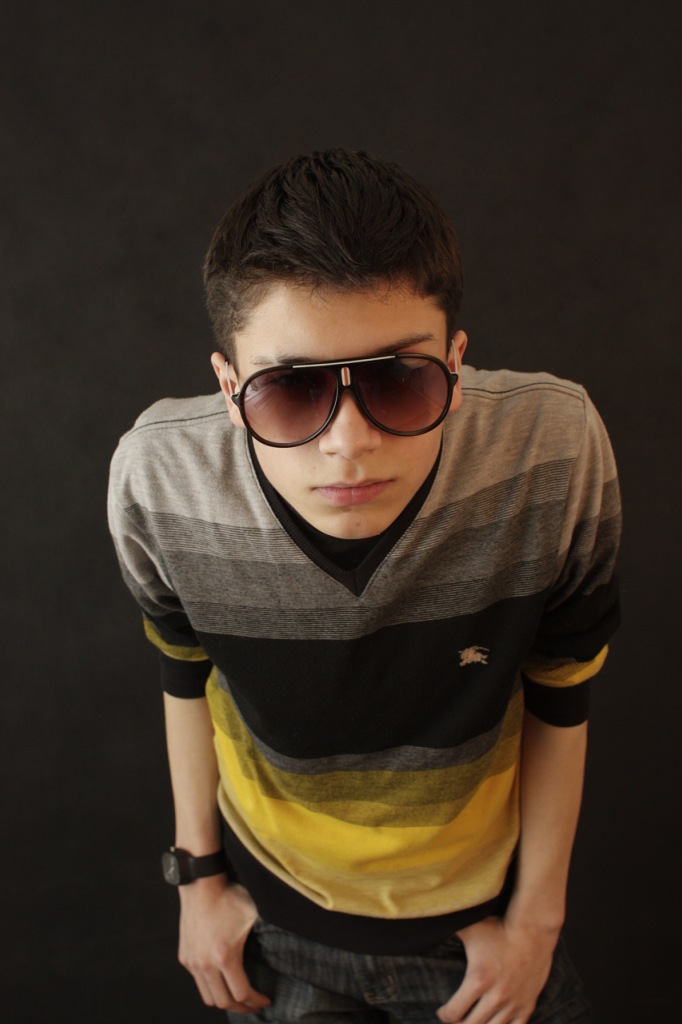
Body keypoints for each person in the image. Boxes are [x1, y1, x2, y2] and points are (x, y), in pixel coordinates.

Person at [108, 149, 621, 1024]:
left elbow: (561, 695)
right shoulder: (162, 484)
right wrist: (198, 880)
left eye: (399, 379)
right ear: (229, 389)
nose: (349, 442)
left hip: (478, 925)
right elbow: (185, 673)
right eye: (289, 391)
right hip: (273, 922)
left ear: (456, 360)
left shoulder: (554, 453)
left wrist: (536, 921)